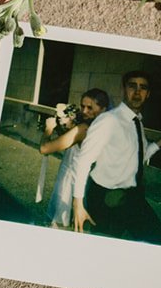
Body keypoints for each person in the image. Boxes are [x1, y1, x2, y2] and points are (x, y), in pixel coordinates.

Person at [71, 70, 161, 244]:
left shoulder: (137, 122)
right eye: (132, 86)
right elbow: (84, 161)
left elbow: (139, 156)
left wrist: (160, 142)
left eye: (143, 88)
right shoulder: (108, 120)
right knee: (103, 248)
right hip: (105, 199)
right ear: (124, 89)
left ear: (148, 94)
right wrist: (78, 204)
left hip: (133, 196)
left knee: (158, 241)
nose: (137, 92)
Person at [40, 88, 110, 229]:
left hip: (71, 183)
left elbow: (44, 148)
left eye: (90, 107)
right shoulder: (104, 128)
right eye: (82, 106)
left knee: (61, 225)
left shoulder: (83, 129)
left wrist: (48, 129)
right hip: (88, 185)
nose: (84, 111)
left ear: (103, 109)